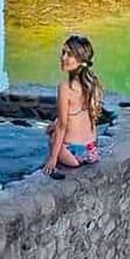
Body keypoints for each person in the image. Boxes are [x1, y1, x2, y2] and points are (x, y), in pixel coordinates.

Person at [43, 34, 102, 174]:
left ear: (81, 60)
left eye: (69, 55)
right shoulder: (92, 84)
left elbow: (63, 126)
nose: (63, 58)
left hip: (72, 155)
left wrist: (52, 158)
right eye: (63, 52)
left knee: (52, 134)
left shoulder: (65, 88)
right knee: (55, 124)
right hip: (91, 151)